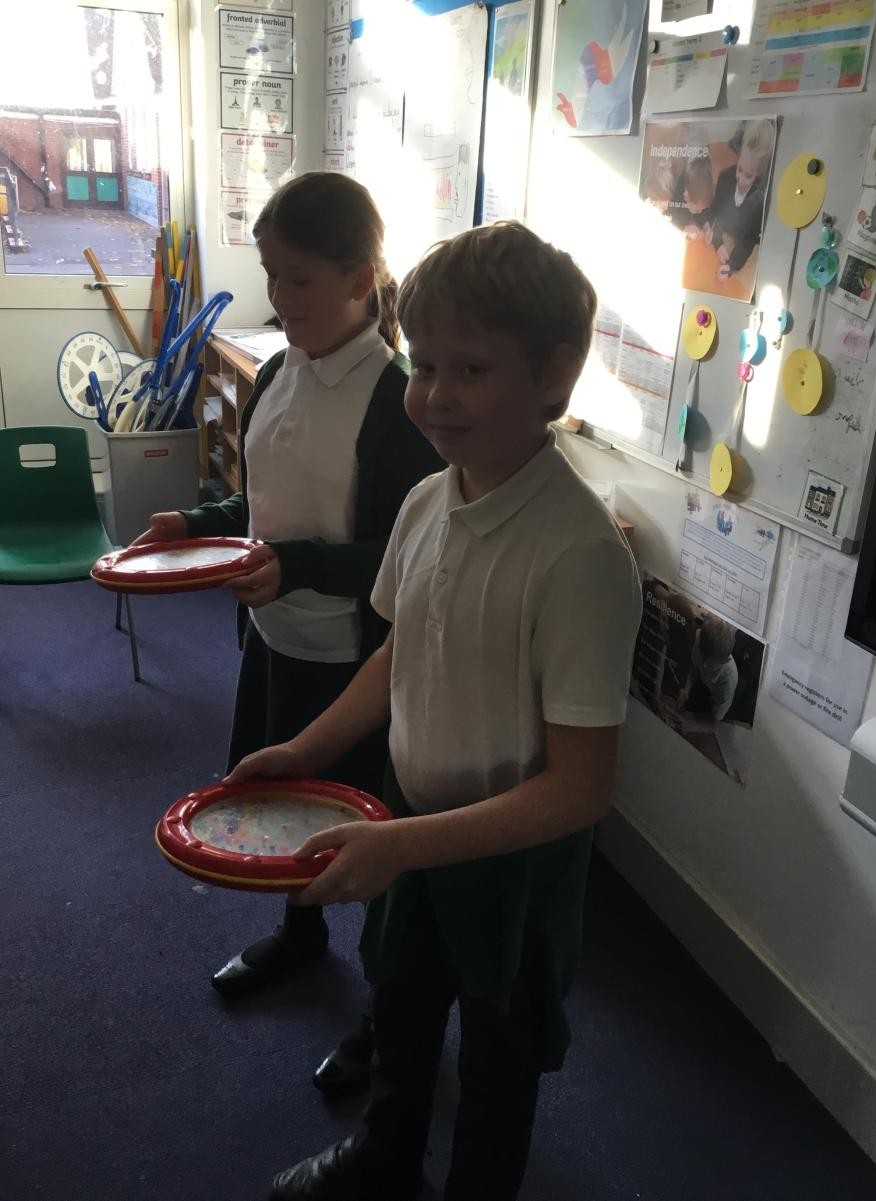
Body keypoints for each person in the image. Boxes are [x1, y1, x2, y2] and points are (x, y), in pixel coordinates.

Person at [225, 220, 643, 1201]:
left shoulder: (580, 555)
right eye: (422, 364)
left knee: (498, 1060)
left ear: (554, 375)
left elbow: (579, 790)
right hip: (406, 818)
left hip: (512, 865)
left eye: (472, 369)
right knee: (402, 1007)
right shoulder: (423, 503)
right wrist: (304, 748)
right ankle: (383, 1159)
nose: (435, 395)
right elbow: (398, 652)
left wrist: (404, 845)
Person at [132, 172, 443, 1092]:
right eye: (272, 274)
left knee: (366, 834)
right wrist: (196, 524)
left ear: (360, 278)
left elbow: (402, 554)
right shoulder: (276, 371)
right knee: (277, 808)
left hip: (355, 665)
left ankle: (384, 1013)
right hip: (272, 640)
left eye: (299, 279)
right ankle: (301, 936)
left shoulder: (396, 400)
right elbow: (261, 509)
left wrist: (300, 565)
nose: (279, 295)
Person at [703, 119, 775, 280]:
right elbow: (716, 212)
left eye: (749, 176)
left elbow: (748, 241)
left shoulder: (758, 202)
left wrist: (730, 267)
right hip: (722, 242)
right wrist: (717, 242)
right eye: (740, 169)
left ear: (759, 175)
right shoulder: (726, 178)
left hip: (742, 257)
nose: (741, 180)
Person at [677, 614, 738, 721]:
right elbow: (694, 668)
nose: (704, 665)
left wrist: (698, 724)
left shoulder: (729, 680)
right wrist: (686, 691)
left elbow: (716, 718)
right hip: (704, 684)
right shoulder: (700, 640)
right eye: (703, 657)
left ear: (725, 661)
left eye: (710, 664)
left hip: (718, 699)